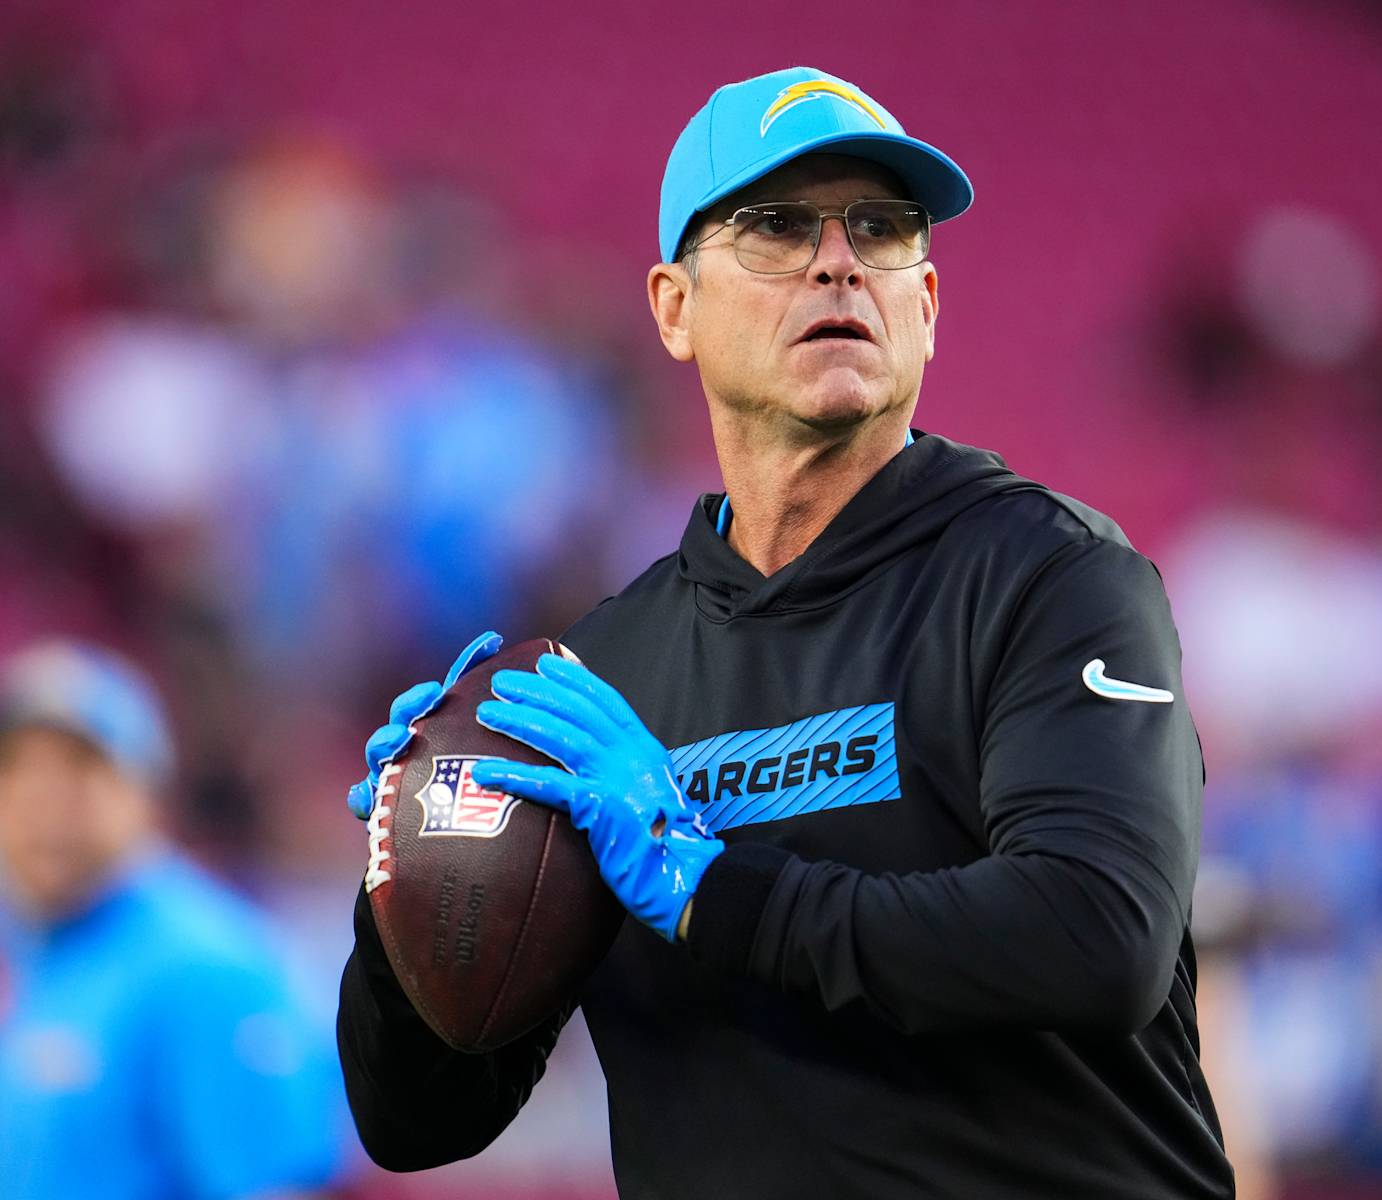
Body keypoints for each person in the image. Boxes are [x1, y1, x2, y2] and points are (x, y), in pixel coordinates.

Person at [338, 66, 1234, 1197]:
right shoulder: (604, 677)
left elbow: (1101, 936)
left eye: (882, 228)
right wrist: (408, 884)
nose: (839, 261)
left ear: (926, 307)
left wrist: (713, 892)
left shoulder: (1052, 578)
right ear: (674, 308)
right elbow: (417, 1122)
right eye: (775, 225)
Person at [0, 640, 348, 1199]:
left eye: (77, 772)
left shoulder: (207, 964)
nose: (42, 805)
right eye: (18, 771)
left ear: (145, 792)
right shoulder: (37, 947)